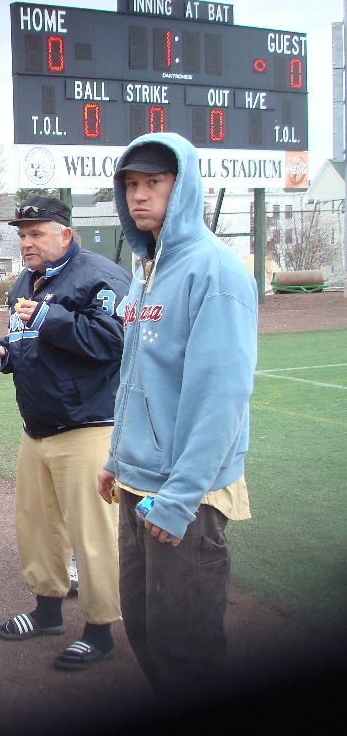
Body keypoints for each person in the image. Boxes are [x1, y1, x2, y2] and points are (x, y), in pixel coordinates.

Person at [97, 134, 257, 703]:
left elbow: (221, 396)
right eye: (131, 185)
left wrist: (182, 494)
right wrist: (118, 457)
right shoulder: (147, 267)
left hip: (185, 498)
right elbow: (137, 373)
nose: (139, 196)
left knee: (185, 647)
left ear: (182, 186)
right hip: (139, 483)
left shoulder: (215, 270)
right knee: (143, 627)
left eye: (154, 183)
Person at [0, 196, 130, 671]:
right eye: (22, 234)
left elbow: (114, 341)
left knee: (92, 535)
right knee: (38, 527)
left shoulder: (101, 275)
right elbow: (30, 342)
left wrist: (51, 319)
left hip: (88, 426)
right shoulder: (26, 280)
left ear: (65, 233)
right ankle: (47, 613)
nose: (26, 242)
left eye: (36, 233)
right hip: (38, 426)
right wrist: (3, 354)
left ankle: (101, 631)